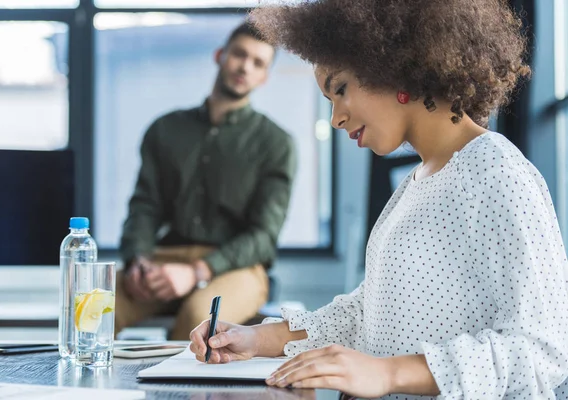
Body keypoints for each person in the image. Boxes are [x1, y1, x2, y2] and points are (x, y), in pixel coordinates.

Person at [189, 1, 568, 399]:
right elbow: (365, 314)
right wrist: (253, 338)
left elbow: (543, 349)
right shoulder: (415, 184)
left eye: (340, 89)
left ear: (395, 65)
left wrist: (387, 374)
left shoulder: (497, 172)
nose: (335, 118)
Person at [116, 21, 297, 340]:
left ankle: (170, 393)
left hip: (237, 269)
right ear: (220, 55)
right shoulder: (165, 129)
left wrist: (197, 271)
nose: (245, 66)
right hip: (165, 259)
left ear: (264, 77)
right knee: (94, 304)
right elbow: (145, 205)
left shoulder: (276, 143)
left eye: (258, 63)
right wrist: (138, 258)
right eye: (239, 54)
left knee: (199, 318)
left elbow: (264, 236)